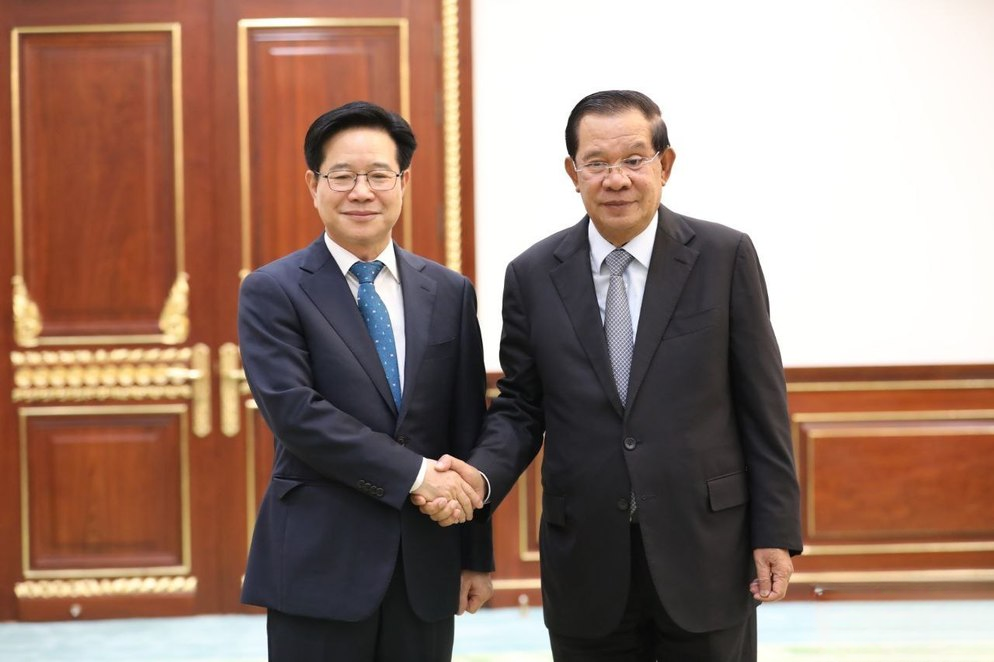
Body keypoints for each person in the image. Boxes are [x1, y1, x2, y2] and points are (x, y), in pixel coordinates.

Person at [418, 90, 802, 661]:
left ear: (665, 165)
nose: (616, 179)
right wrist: (478, 477)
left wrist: (775, 531)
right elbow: (521, 405)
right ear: (572, 173)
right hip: (586, 556)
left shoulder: (724, 257)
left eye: (634, 160)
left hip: (706, 549)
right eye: (596, 163)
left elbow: (761, 403)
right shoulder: (532, 274)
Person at [238, 100, 493, 662]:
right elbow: (297, 414)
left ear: (403, 182)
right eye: (342, 176)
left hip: (425, 561)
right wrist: (417, 474)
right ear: (313, 184)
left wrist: (475, 555)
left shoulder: (449, 292)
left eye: (378, 175)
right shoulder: (272, 290)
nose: (361, 192)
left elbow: (466, 425)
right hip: (318, 562)